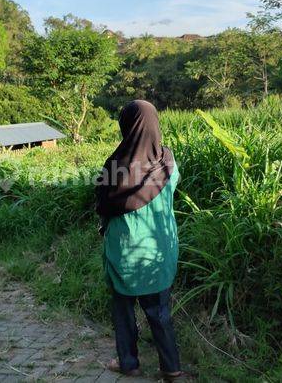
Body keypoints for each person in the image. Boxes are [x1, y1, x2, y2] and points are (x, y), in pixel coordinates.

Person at [95, 100, 186, 380]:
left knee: (123, 312)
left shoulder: (114, 168)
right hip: (159, 251)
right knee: (159, 312)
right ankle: (171, 367)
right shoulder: (168, 161)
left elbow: (102, 203)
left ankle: (129, 363)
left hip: (125, 252)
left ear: (127, 126)